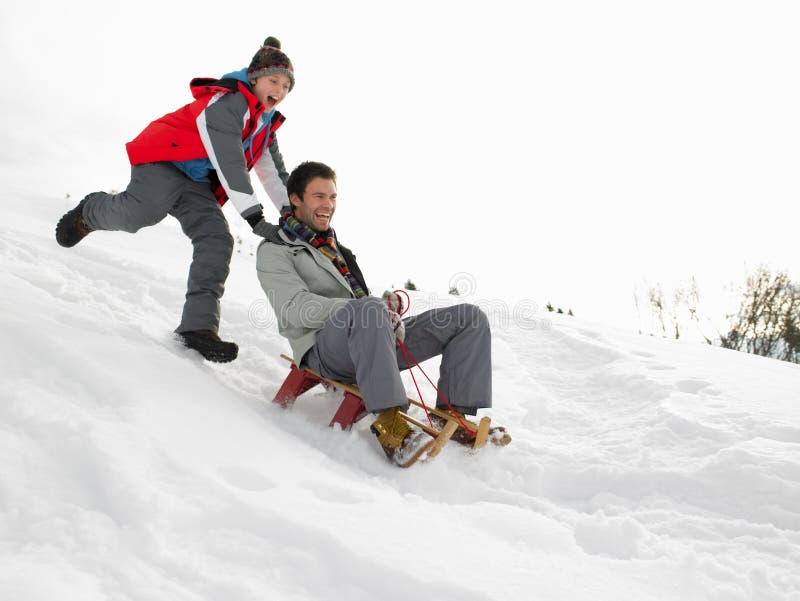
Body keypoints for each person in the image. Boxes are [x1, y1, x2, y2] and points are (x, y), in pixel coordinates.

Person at [55, 36, 295, 363]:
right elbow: (230, 161)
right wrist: (255, 217)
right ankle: (90, 211)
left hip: (196, 183)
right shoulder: (228, 102)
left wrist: (290, 213)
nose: (280, 91)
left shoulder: (265, 123)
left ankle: (197, 328)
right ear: (254, 78)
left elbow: (273, 172)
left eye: (286, 85)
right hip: (164, 160)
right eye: (274, 81)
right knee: (141, 214)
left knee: (217, 238)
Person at [256, 161, 501, 464]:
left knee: (469, 318)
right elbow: (294, 308)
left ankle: (453, 416)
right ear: (295, 199)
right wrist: (364, 308)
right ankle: (391, 427)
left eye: (332, 197)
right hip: (324, 350)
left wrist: (386, 310)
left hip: (368, 340)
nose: (328, 205)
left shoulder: (337, 250)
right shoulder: (276, 249)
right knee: (369, 308)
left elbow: (362, 305)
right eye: (319, 196)